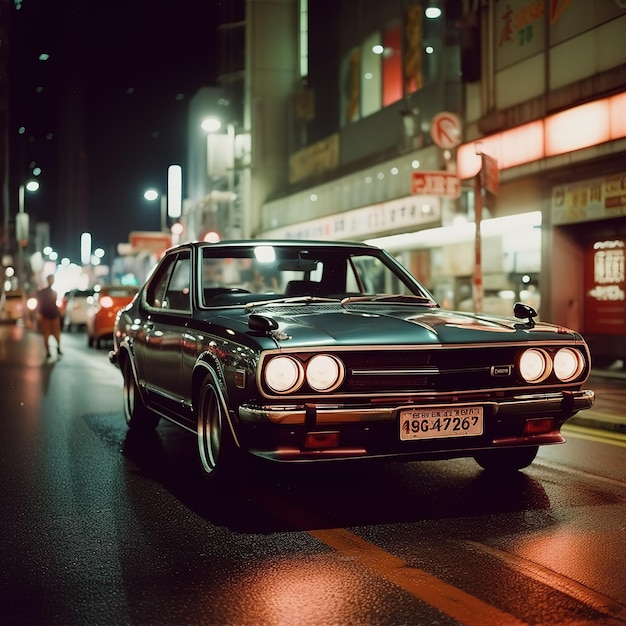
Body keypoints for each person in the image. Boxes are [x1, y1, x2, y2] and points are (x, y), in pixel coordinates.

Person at [37, 274, 62, 358]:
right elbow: (40, 304)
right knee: (46, 334)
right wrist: (39, 314)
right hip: (46, 315)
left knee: (56, 334)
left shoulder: (54, 292)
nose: (52, 281)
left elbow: (55, 304)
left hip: (54, 315)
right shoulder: (42, 292)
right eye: (51, 279)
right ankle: (48, 351)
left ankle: (58, 348)